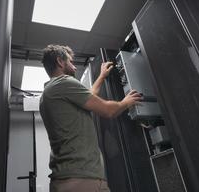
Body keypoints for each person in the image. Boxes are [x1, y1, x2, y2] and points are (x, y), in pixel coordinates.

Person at [39, 44, 142, 192]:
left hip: (68, 179)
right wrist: (126, 102)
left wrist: (101, 76)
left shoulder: (49, 93)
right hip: (82, 180)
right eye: (70, 61)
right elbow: (107, 111)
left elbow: (89, 97)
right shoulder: (63, 82)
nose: (74, 67)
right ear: (60, 62)